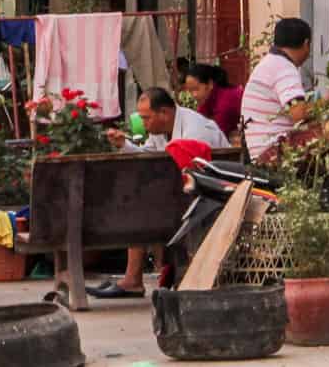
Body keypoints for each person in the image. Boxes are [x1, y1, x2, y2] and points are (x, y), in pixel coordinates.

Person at [89, 89, 229, 300]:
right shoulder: (160, 130)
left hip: (208, 198)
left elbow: (201, 172)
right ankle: (132, 280)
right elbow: (149, 155)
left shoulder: (196, 129)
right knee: (137, 203)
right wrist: (124, 145)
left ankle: (133, 279)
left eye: (146, 117)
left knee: (138, 205)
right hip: (180, 196)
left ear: (164, 112)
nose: (143, 123)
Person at [242, 17, 314, 161]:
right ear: (306, 44)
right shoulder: (284, 67)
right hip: (274, 152)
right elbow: (299, 113)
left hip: (261, 151)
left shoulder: (270, 63)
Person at [182, 62, 244, 141]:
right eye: (190, 91)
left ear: (210, 84)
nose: (194, 95)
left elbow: (214, 138)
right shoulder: (208, 100)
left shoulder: (225, 102)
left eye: (196, 89)